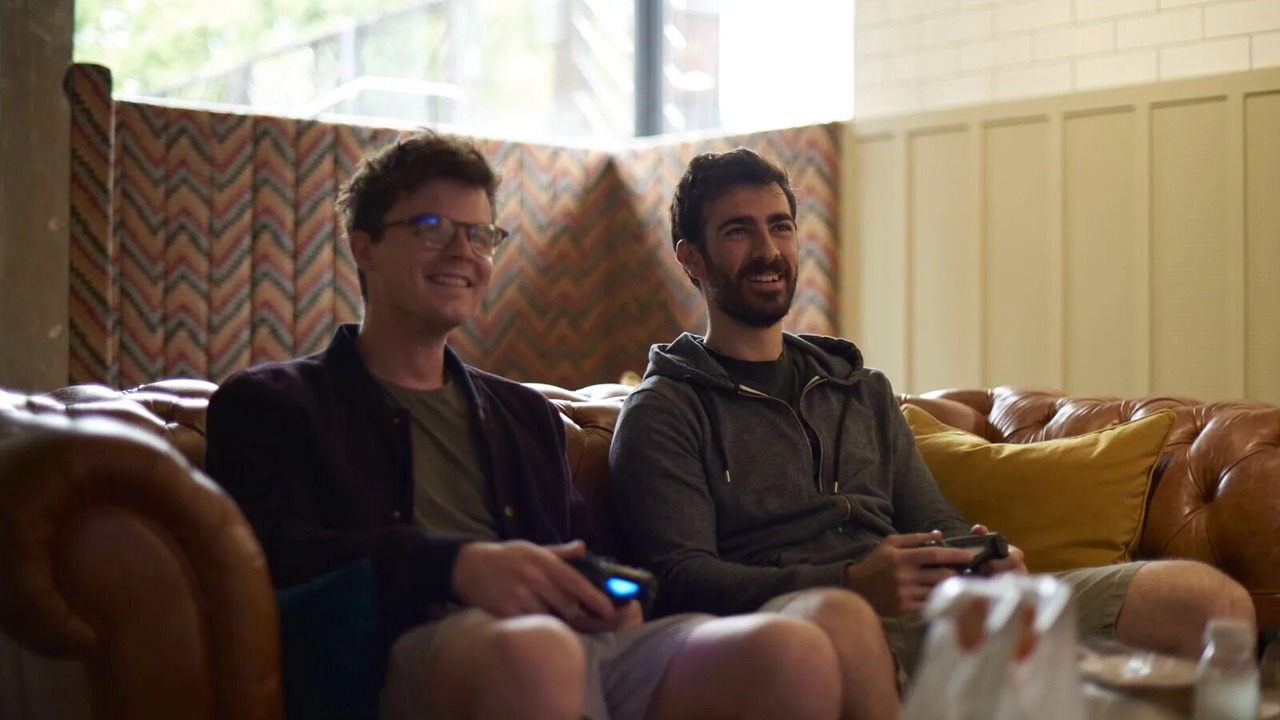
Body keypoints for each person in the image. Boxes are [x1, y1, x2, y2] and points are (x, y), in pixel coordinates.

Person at [204, 131, 867, 720]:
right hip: (400, 648)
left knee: (791, 649)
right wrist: (457, 567)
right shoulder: (274, 404)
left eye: (481, 234)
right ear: (365, 247)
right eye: (434, 227)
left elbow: (580, 551)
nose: (462, 251)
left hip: (574, 643)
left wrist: (615, 591)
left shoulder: (521, 414)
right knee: (541, 652)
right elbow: (270, 559)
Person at [608, 146, 1256, 694]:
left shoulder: (858, 389)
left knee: (1202, 599)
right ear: (690, 257)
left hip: (931, 617)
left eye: (780, 226)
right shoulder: (665, 411)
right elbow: (680, 577)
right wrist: (847, 582)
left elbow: (934, 520)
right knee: (844, 618)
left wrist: (984, 557)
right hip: (812, 628)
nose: (768, 249)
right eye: (739, 231)